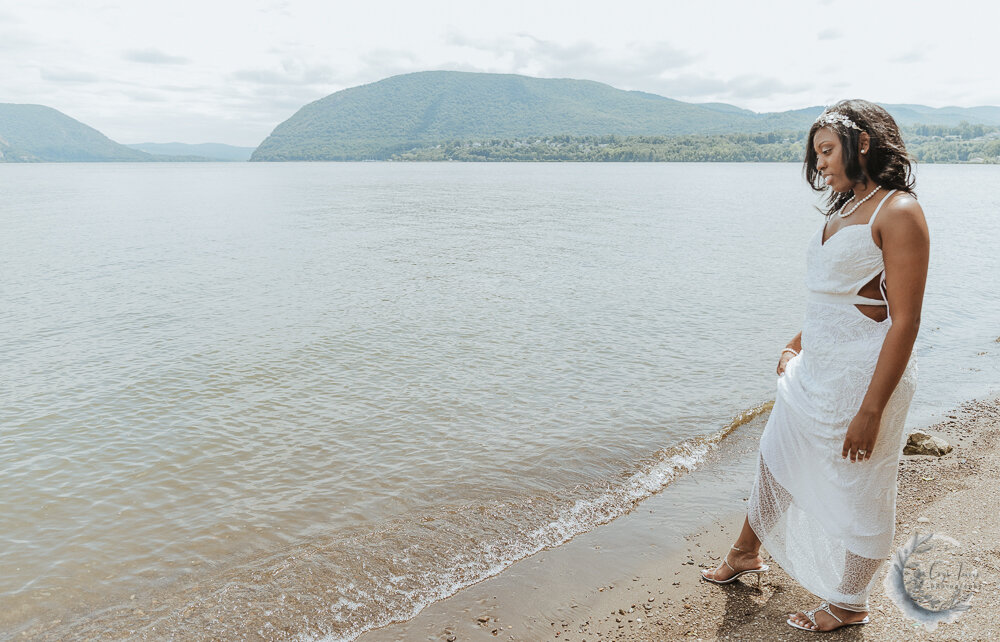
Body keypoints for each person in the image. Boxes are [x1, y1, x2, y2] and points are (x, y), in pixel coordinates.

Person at [699, 99, 930, 632]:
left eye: (827, 150)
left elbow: (905, 320)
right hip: (818, 368)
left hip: (863, 377)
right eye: (816, 153)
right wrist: (794, 343)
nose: (819, 163)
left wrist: (871, 410)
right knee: (775, 455)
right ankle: (744, 552)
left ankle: (849, 602)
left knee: (859, 487)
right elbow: (833, 296)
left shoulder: (897, 212)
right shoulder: (844, 208)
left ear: (862, 144)